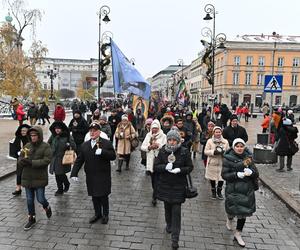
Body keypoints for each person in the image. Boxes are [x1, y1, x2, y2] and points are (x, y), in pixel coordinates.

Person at [154, 129, 193, 250]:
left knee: (176, 212)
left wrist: (180, 170)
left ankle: (175, 239)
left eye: (174, 140)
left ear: (178, 141)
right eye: (170, 140)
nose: (172, 142)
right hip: (165, 185)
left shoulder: (184, 152)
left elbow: (190, 167)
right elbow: (156, 167)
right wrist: (165, 167)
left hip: (178, 186)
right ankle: (168, 224)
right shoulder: (162, 151)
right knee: (167, 208)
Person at [70, 122, 116, 224]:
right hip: (91, 175)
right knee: (94, 196)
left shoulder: (106, 143)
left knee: (103, 196)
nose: (92, 132)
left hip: (103, 175)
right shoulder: (85, 145)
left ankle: (105, 215)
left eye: (94, 130)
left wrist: (103, 152)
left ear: (99, 132)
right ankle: (97, 213)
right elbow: (79, 160)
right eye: (90, 130)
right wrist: (74, 173)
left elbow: (113, 156)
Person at [222, 138, 258, 247]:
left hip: (247, 190)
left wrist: (251, 172)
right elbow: (224, 175)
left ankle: (238, 233)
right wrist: (236, 175)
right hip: (233, 189)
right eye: (237, 146)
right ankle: (229, 218)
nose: (239, 148)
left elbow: (256, 173)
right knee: (232, 210)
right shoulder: (228, 159)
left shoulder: (248, 158)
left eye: (241, 146)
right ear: (233, 147)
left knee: (243, 213)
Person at [18, 126, 52, 230]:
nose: (33, 137)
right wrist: (21, 161)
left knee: (40, 199)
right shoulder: (27, 145)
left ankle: (47, 206)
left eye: (35, 135)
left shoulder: (46, 146)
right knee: (29, 200)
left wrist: (32, 162)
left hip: (39, 177)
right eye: (31, 135)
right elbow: (21, 158)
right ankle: (31, 218)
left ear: (39, 135)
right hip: (27, 177)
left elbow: (47, 160)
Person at [141, 119, 167, 206]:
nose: (154, 130)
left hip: (159, 160)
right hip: (151, 160)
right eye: (153, 128)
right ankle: (155, 191)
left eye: (156, 128)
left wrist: (158, 146)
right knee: (153, 179)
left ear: (159, 128)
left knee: (158, 179)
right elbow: (142, 147)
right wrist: (149, 147)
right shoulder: (148, 135)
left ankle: (154, 196)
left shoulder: (163, 136)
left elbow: (166, 147)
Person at [48, 121, 76, 196]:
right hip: (54, 158)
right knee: (57, 174)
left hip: (63, 157)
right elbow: (48, 143)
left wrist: (69, 145)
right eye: (56, 128)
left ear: (62, 129)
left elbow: (73, 146)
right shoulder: (53, 135)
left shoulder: (67, 136)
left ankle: (65, 184)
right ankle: (60, 189)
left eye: (59, 128)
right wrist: (50, 149)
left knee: (60, 173)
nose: (57, 130)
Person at [204, 126, 229, 199]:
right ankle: (213, 192)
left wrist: (224, 153)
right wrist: (213, 152)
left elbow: (228, 151)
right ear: (214, 133)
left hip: (222, 162)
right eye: (216, 132)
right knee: (212, 178)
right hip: (212, 162)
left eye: (219, 132)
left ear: (221, 133)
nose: (218, 133)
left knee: (221, 178)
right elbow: (206, 151)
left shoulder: (225, 141)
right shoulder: (209, 141)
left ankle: (219, 191)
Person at [11, 124, 31, 196]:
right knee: (19, 173)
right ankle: (18, 188)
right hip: (20, 158)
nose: (23, 132)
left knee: (28, 173)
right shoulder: (18, 138)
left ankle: (31, 187)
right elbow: (14, 147)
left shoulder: (30, 138)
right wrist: (17, 152)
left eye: (25, 130)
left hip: (29, 159)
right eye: (22, 130)